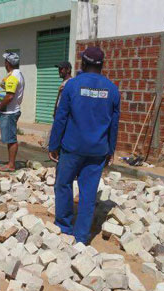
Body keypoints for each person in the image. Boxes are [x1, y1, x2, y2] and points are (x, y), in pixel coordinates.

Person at [48, 46, 120, 244]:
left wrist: (53, 145)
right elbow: (114, 125)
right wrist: (111, 150)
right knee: (88, 193)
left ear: (83, 63)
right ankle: (81, 237)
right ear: (102, 65)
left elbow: (61, 118)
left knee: (63, 184)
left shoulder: (72, 86)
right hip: (97, 151)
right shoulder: (112, 90)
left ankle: (64, 228)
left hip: (72, 148)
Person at [0, 52, 24, 171]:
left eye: (5, 61)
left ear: (8, 63)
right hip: (9, 111)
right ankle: (10, 163)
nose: (4, 63)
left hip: (9, 112)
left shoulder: (13, 77)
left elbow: (10, 96)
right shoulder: (15, 74)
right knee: (9, 139)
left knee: (11, 139)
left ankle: (11, 165)